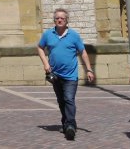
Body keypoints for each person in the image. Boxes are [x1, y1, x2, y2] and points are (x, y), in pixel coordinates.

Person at [38, 7, 95, 139]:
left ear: (67, 20)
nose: (59, 20)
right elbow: (40, 47)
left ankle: (70, 126)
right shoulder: (48, 34)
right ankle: (66, 123)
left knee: (69, 99)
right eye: (57, 18)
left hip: (70, 75)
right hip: (55, 75)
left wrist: (89, 69)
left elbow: (83, 52)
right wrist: (46, 63)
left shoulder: (74, 35)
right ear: (54, 20)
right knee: (61, 100)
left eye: (62, 18)